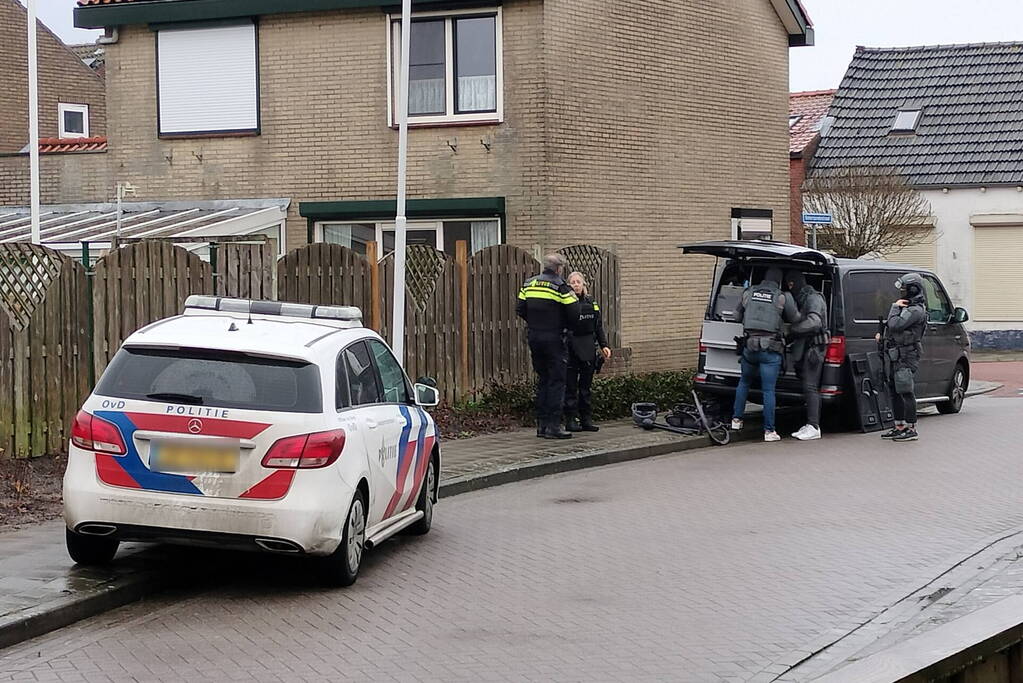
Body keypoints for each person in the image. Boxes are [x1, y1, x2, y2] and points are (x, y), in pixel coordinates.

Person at [731, 267, 800, 442]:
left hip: (749, 348)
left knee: (744, 382)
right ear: (779, 280)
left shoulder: (749, 293)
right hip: (770, 351)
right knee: (768, 390)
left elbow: (735, 315)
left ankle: (736, 420)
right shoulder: (782, 297)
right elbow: (795, 319)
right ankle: (769, 432)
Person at [516, 253, 580, 439]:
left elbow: (520, 309)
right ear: (559, 269)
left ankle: (542, 426)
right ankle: (553, 426)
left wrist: (536, 323)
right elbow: (574, 311)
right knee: (557, 381)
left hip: (535, 337)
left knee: (543, 380)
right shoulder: (560, 286)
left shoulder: (529, 283)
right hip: (554, 339)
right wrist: (565, 327)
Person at [877, 273, 928, 442]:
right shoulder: (907, 308)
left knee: (905, 390)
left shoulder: (915, 310)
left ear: (913, 289)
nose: (902, 292)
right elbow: (892, 329)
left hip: (906, 356)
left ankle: (911, 428)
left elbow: (895, 324)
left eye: (905, 289)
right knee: (895, 390)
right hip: (896, 355)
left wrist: (894, 307)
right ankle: (899, 426)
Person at [563, 272, 612, 433]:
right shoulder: (565, 303)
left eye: (578, 282)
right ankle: (570, 420)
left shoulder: (592, 302)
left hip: (588, 348)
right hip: (570, 348)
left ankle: (586, 420)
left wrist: (604, 345)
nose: (576, 284)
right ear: (568, 285)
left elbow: (598, 326)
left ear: (584, 284)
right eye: (573, 282)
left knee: (585, 387)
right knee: (570, 387)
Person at [785, 270, 829, 441]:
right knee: (808, 386)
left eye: (791, 284)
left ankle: (814, 426)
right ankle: (811, 424)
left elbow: (814, 322)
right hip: (809, 348)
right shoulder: (805, 298)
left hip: (814, 349)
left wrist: (792, 330)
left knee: (810, 387)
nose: (790, 287)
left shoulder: (813, 298)